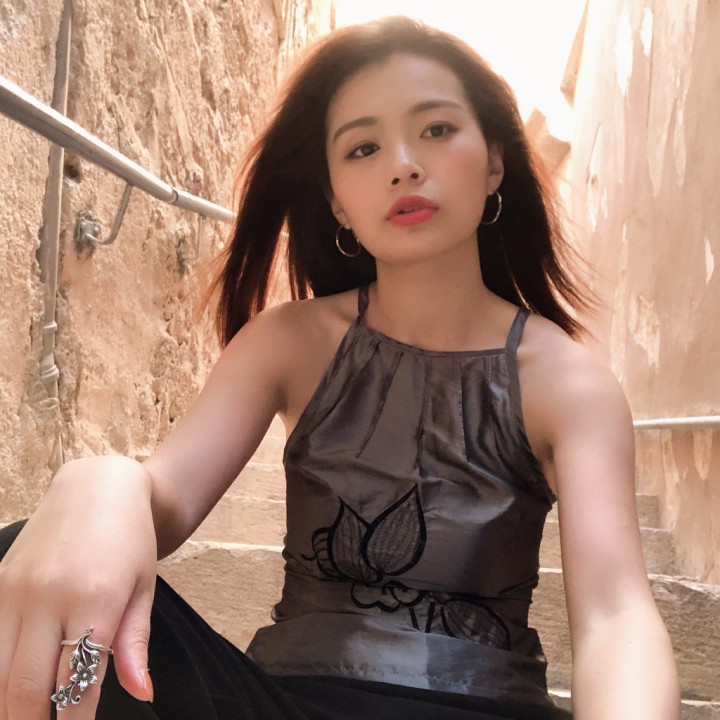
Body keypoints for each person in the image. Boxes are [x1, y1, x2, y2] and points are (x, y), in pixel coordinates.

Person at [0, 15, 680, 720]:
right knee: (29, 563)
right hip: (284, 704)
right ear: (335, 202)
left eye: (437, 129)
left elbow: (616, 617)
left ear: (495, 163)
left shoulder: (567, 380)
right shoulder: (288, 340)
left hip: (486, 705)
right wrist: (100, 482)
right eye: (363, 147)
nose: (402, 164)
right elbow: (164, 500)